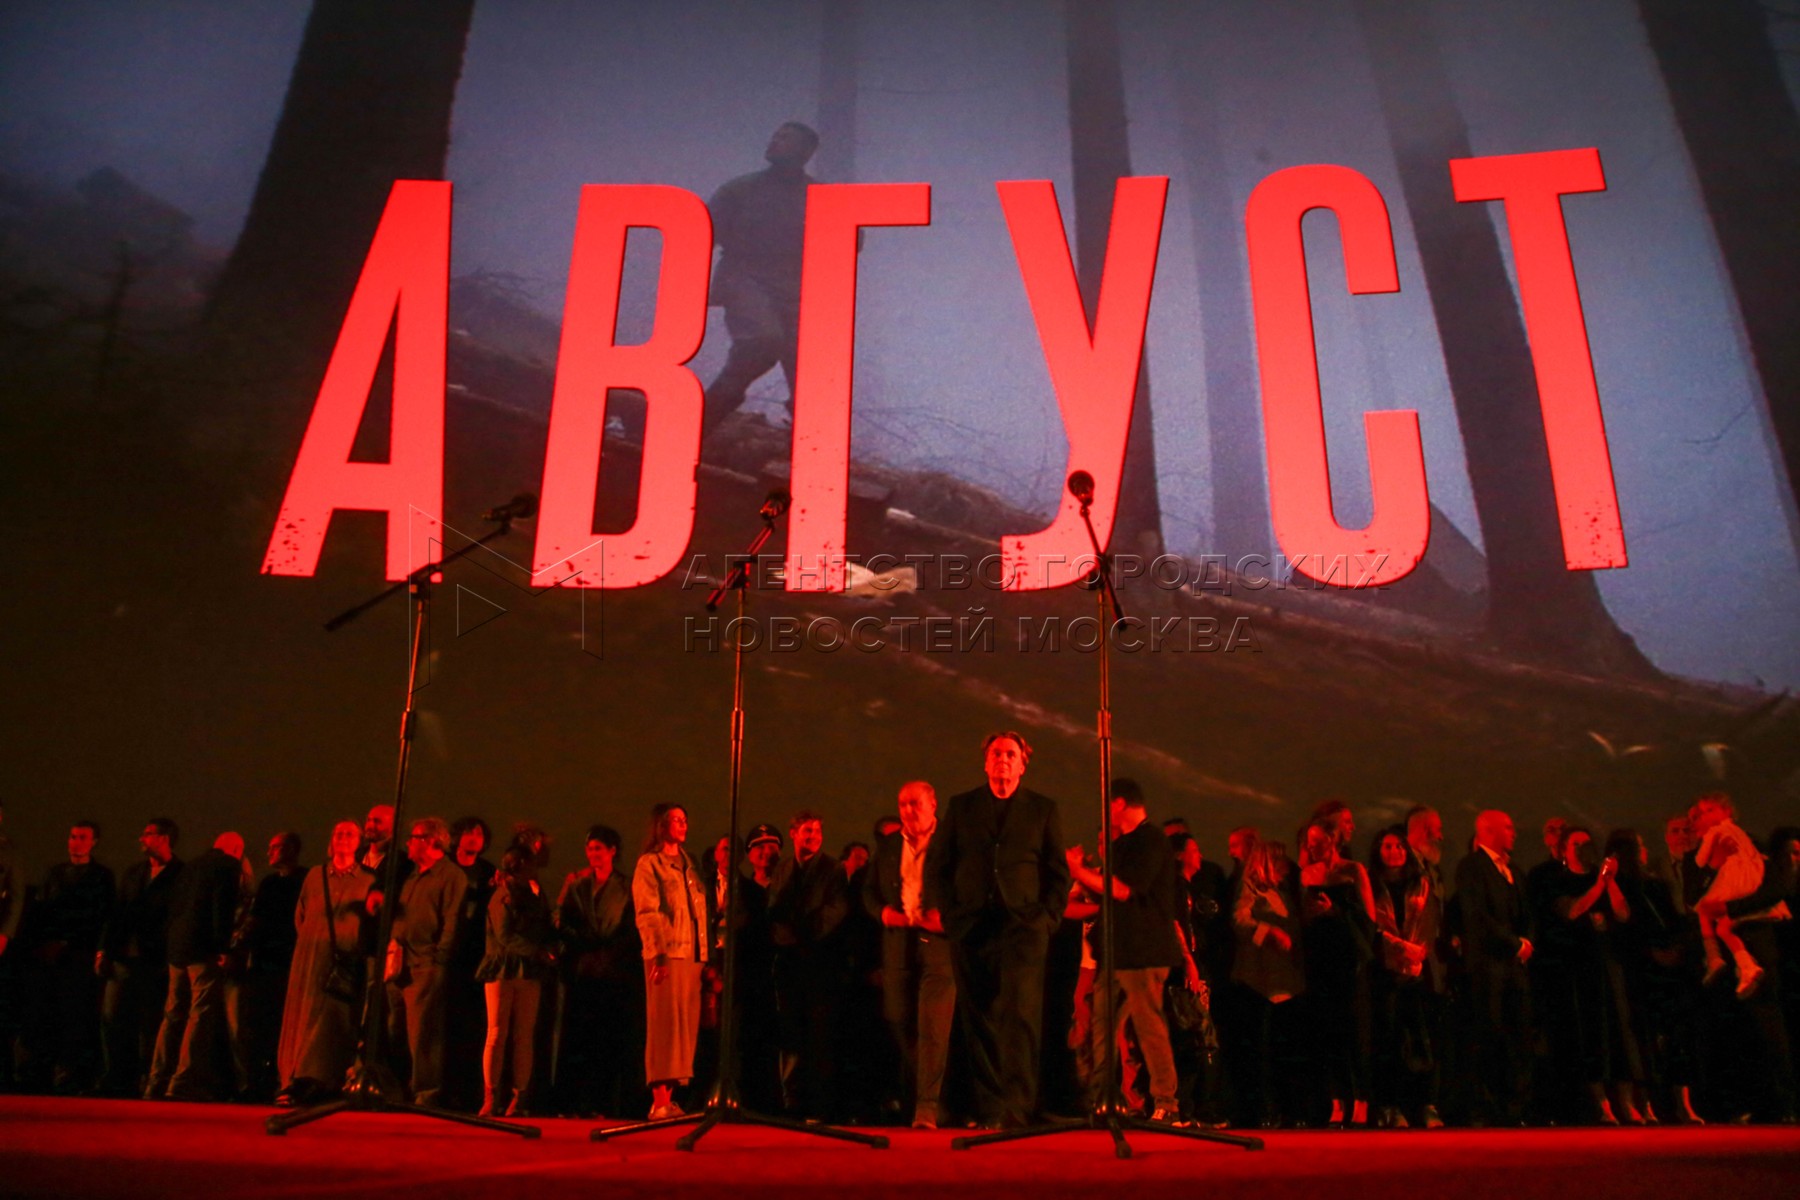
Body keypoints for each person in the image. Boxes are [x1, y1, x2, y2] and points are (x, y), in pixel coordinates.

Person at [924, 731, 1070, 1129]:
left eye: (1010, 754)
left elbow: (1058, 873)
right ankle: (990, 1108)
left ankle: (1017, 1108)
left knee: (1020, 1017)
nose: (1003, 760)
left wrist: (1046, 919)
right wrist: (951, 915)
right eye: (996, 753)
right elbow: (938, 866)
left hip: (1023, 927)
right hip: (972, 927)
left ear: (1023, 764)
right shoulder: (962, 806)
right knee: (978, 1019)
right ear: (985, 762)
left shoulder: (1042, 809)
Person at [1064, 780, 1184, 1123]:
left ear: (1118, 804)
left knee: (1148, 1026)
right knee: (1102, 1025)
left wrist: (1078, 871)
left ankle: (1166, 1102)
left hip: (1143, 952)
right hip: (1116, 952)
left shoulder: (1150, 841)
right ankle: (1103, 1099)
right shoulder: (1124, 845)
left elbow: (1123, 890)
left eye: (1107, 805)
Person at [702, 121, 822, 437]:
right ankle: (694, 428)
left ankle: (809, 446)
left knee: (808, 373)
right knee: (761, 340)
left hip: (796, 289)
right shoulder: (739, 190)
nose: (775, 141)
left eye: (786, 138)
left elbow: (851, 240)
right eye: (775, 136)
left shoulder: (819, 196)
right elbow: (703, 233)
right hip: (745, 278)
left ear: (806, 151)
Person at [863, 781, 955, 1129]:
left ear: (933, 804)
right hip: (898, 944)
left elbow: (971, 887)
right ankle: (928, 1098)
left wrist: (948, 918)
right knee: (898, 1018)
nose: (908, 810)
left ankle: (928, 1106)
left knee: (934, 1027)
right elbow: (869, 891)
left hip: (939, 946)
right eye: (902, 804)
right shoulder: (889, 846)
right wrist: (884, 913)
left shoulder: (952, 842)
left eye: (915, 803)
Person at [276, 820, 372, 1106]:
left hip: (343, 959)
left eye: (349, 834)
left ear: (359, 842)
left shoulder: (368, 879)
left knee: (333, 1019)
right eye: (338, 833)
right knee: (302, 1015)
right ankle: (292, 1078)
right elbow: (301, 913)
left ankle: (322, 1080)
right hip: (310, 957)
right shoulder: (315, 876)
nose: (343, 838)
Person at [145, 832, 245, 1101]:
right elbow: (221, 908)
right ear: (236, 850)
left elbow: (175, 907)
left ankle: (156, 1079)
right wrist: (222, 947)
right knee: (199, 1014)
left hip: (178, 947)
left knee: (173, 1013)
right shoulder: (228, 866)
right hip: (202, 949)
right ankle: (183, 1080)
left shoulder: (190, 866)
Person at [20, 821, 114, 1093]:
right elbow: (40, 911)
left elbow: (102, 915)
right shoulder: (55, 873)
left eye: (82, 837)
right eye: (73, 837)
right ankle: (44, 1072)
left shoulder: (100, 876)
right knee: (46, 1014)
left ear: (94, 842)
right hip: (52, 955)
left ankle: (70, 1074)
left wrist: (83, 945)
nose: (76, 842)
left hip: (79, 955)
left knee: (75, 1015)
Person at [556, 824, 642, 1118]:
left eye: (599, 848)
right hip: (584, 970)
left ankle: (605, 1102)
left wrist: (609, 950)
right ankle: (577, 1102)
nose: (593, 854)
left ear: (612, 851)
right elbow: (565, 922)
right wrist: (583, 943)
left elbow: (631, 929)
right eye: (590, 848)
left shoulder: (627, 886)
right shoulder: (579, 887)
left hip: (613, 972)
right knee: (580, 1039)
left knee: (608, 1040)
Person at [767, 810, 848, 1118]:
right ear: (794, 834)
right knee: (789, 1031)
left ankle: (820, 1103)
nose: (813, 837)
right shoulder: (783, 868)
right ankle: (792, 1101)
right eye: (807, 831)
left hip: (819, 962)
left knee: (819, 1033)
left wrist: (800, 930)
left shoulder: (833, 869)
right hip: (788, 962)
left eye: (816, 831)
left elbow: (835, 911)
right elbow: (773, 910)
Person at [1455, 810, 1534, 1126]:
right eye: (1508, 827)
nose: (1514, 832)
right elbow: (1476, 915)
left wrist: (1526, 941)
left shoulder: (1514, 871)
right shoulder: (1471, 867)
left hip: (1514, 967)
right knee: (1489, 1033)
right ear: (1488, 831)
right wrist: (1514, 943)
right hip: (1488, 967)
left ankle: (1515, 1106)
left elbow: (1527, 913)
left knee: (1519, 1034)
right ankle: (1486, 1107)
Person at [1298, 818, 1377, 1127]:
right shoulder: (1307, 874)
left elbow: (1369, 919)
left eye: (1318, 841)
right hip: (1320, 956)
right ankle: (1336, 1100)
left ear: (1333, 840)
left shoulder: (1353, 871)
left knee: (1354, 1029)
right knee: (1327, 1030)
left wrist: (1336, 911)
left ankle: (1361, 1099)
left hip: (1350, 957)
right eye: (1309, 843)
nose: (1313, 847)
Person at [384, 817, 468, 1107]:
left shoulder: (450, 876)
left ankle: (426, 1092)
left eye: (414, 837)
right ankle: (400, 1088)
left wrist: (439, 956)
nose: (408, 842)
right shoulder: (411, 875)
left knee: (423, 1033)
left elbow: (452, 919)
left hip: (425, 965)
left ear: (432, 841)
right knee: (395, 1030)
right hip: (399, 964)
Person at [633, 802, 709, 1120]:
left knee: (683, 1027)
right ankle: (658, 1100)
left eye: (685, 820)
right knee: (664, 1025)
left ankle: (669, 1099)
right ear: (661, 825)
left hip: (691, 955)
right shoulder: (650, 864)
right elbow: (647, 912)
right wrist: (659, 954)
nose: (683, 825)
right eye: (676, 820)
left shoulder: (690, 864)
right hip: (667, 953)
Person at [97, 818, 183, 1097]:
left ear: (164, 838)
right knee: (113, 1017)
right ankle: (117, 1078)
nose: (142, 839)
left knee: (150, 1022)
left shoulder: (181, 875)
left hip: (154, 960)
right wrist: (105, 950)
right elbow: (117, 913)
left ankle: (147, 1077)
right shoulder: (135, 873)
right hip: (125, 958)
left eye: (148, 834)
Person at [474, 845, 557, 1117]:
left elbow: (541, 925)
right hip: (505, 967)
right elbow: (504, 935)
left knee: (522, 1035)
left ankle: (518, 1096)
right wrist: (538, 952)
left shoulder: (533, 892)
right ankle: (491, 1095)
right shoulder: (503, 895)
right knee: (498, 1032)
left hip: (526, 969)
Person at [227, 830, 305, 1102]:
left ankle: (277, 1080)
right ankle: (258, 1081)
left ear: (291, 849)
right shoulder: (269, 883)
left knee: (280, 1025)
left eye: (276, 847)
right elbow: (256, 919)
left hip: (286, 963)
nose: (269, 852)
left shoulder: (303, 881)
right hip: (264, 963)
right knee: (258, 1025)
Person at [1232, 838, 1304, 1126]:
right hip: (1258, 983)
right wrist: (1268, 932)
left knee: (1284, 1051)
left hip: (1286, 984)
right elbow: (1239, 921)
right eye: (1280, 859)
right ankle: (1262, 1111)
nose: (1286, 865)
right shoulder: (1249, 889)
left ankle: (1287, 1110)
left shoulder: (1283, 894)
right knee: (1260, 1051)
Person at [1369, 824, 1432, 1128]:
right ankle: (1389, 1105)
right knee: (1388, 1039)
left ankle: (1421, 1104)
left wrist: (1418, 951)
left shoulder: (1420, 882)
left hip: (1416, 967)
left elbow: (1429, 920)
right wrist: (1398, 948)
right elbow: (1372, 925)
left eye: (1399, 846)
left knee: (1419, 1038)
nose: (1394, 852)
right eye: (1387, 846)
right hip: (1383, 968)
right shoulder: (1371, 883)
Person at [444, 816, 496, 1111]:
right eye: (468, 833)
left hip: (475, 955)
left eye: (479, 834)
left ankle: (468, 1092)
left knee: (473, 1026)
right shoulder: (446, 867)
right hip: (447, 952)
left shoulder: (487, 871)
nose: (474, 838)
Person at [1690, 794, 1766, 997]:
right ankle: (1745, 966)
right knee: (1723, 926)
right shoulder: (1740, 833)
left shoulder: (1716, 831)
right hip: (1751, 877)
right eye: (1702, 813)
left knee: (1705, 909)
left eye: (1710, 810)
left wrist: (1707, 850)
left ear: (1727, 811)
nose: (1704, 816)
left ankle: (1715, 957)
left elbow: (1701, 860)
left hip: (1737, 881)